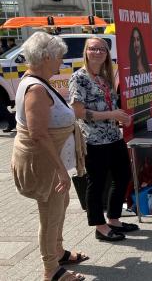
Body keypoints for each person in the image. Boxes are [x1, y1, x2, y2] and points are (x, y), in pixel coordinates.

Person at [11, 32, 88, 281]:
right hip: (46, 167)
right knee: (50, 215)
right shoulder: (35, 88)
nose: (61, 63)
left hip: (52, 164)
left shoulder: (38, 81)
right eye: (59, 58)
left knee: (60, 206)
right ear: (46, 57)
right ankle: (51, 270)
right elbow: (38, 135)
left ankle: (58, 251)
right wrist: (60, 170)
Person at [69, 37, 139, 242]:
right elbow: (79, 112)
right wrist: (112, 115)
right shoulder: (79, 78)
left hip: (113, 136)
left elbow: (109, 107)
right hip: (93, 140)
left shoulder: (104, 77)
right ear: (86, 52)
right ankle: (100, 226)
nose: (98, 52)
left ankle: (114, 219)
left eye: (103, 49)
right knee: (97, 183)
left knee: (123, 176)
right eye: (93, 49)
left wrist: (121, 118)